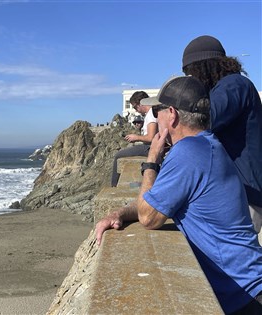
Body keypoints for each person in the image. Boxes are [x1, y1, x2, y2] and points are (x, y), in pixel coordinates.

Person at [96, 76, 262, 315]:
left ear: (171, 114)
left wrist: (151, 162)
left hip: (244, 295)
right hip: (247, 287)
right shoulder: (206, 145)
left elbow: (149, 217)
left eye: (157, 110)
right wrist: (119, 213)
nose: (154, 117)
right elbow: (156, 201)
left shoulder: (189, 152)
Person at [182, 35, 262, 242]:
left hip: (247, 193)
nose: (191, 79)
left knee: (237, 254)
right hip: (242, 189)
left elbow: (207, 119)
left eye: (191, 72)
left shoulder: (234, 85)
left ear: (204, 67)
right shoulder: (229, 86)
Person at [110, 91, 157, 187]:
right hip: (149, 146)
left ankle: (114, 186)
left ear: (141, 103)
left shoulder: (151, 114)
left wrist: (136, 138)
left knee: (119, 155)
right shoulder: (151, 113)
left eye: (135, 107)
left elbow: (151, 138)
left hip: (150, 148)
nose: (136, 110)